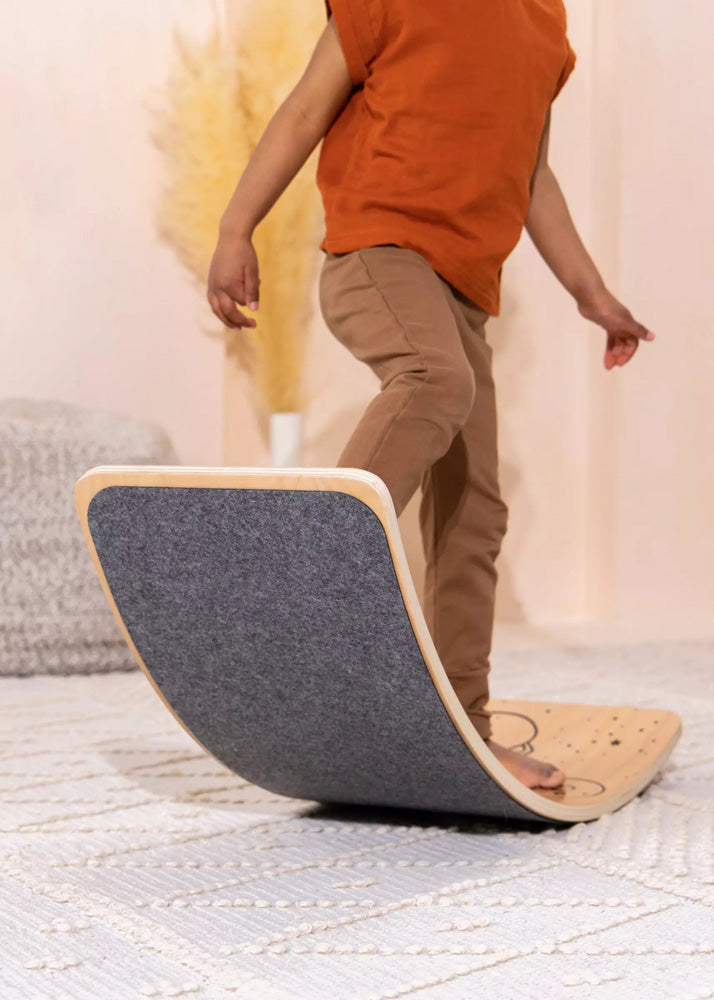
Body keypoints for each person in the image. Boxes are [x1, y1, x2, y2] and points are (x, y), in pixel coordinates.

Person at [207, 1, 655, 790]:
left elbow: (532, 175)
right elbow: (305, 108)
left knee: (474, 509)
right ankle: (310, 574)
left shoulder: (543, 26)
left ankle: (464, 731)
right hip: (378, 255)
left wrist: (592, 294)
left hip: (464, 291)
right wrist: (236, 227)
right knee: (434, 377)